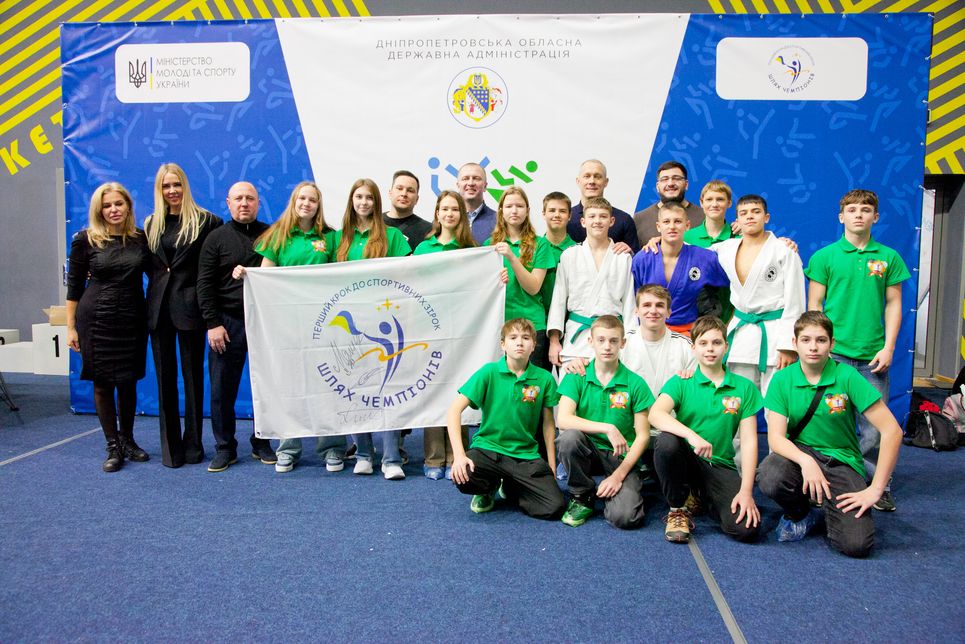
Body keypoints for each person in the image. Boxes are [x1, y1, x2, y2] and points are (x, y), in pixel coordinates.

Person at [757, 312, 902, 557]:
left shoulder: (847, 376)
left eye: (821, 340)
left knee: (856, 545)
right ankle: (803, 512)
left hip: (841, 460)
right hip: (801, 455)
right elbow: (776, 439)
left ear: (832, 344)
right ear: (794, 343)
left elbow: (892, 431)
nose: (813, 347)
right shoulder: (782, 379)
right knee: (770, 474)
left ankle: (828, 506)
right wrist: (806, 461)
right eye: (806, 340)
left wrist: (876, 489)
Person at [805, 189, 910, 512]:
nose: (858, 215)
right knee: (831, 422)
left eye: (865, 210)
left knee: (874, 429)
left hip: (872, 356)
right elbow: (814, 305)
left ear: (875, 217)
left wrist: (889, 347)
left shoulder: (888, 258)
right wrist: (818, 349)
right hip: (834, 355)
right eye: (852, 210)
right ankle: (834, 478)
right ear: (842, 217)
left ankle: (877, 484)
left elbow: (894, 304)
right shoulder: (824, 257)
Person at [250, 181, 346, 475]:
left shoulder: (330, 237)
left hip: (323, 325)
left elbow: (341, 275)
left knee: (328, 384)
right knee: (289, 384)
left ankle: (332, 447)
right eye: (302, 198)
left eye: (312, 200)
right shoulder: (277, 235)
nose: (306, 203)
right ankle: (288, 448)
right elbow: (264, 279)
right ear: (294, 202)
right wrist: (246, 275)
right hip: (287, 325)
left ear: (319, 206)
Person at [648, 316, 762, 544]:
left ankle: (702, 496)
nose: (710, 349)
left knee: (746, 530)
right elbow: (655, 415)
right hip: (686, 460)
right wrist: (691, 436)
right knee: (667, 441)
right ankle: (677, 509)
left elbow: (749, 441)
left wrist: (746, 491)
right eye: (703, 343)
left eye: (716, 343)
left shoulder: (744, 388)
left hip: (719, 463)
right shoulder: (681, 382)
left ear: (726, 347)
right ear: (693, 348)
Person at [66, 182, 151, 472]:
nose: (113, 209)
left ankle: (128, 440)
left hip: (132, 318)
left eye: (118, 203)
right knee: (102, 383)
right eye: (107, 205)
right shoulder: (84, 240)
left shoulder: (141, 239)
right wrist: (71, 328)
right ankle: (112, 445)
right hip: (96, 319)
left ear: (128, 206)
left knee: (128, 382)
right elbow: (74, 287)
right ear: (99, 210)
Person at [446, 318, 565, 520]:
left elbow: (548, 425)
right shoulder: (488, 372)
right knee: (463, 474)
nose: (519, 343)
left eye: (526, 338)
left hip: (524, 455)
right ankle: (488, 487)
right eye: (513, 338)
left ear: (534, 345)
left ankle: (512, 485)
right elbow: (453, 411)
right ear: (503, 344)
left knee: (554, 507)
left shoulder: (544, 378)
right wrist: (459, 456)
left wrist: (552, 465)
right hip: (488, 450)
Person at [333, 178, 412, 480]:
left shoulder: (392, 235)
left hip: (384, 324)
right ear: (351, 201)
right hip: (349, 327)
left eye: (369, 197)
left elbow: (411, 273)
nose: (363, 202)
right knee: (355, 389)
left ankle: (391, 458)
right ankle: (364, 454)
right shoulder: (338, 238)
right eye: (359, 197)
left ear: (377, 203)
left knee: (387, 390)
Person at [145, 163, 222, 468]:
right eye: (166, 186)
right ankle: (171, 450)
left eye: (176, 185)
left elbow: (213, 269)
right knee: (165, 381)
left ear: (185, 186)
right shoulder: (150, 224)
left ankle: (193, 446)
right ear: (159, 190)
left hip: (191, 309)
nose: (172, 191)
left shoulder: (207, 221)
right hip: (158, 310)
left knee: (192, 380)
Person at [196, 181, 275, 472]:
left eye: (250, 198)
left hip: (263, 321)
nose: (244, 203)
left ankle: (262, 441)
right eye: (238, 198)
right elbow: (204, 284)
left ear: (258, 203)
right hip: (227, 322)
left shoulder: (272, 235)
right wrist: (213, 323)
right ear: (228, 203)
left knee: (266, 386)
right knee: (221, 389)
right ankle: (225, 447)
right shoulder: (215, 238)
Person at [555, 315, 653, 528]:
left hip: (620, 454)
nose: (607, 346)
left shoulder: (636, 383)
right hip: (587, 449)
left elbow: (643, 436)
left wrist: (618, 476)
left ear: (622, 343)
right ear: (590, 341)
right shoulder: (576, 375)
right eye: (601, 340)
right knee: (568, 438)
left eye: (613, 340)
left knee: (625, 518)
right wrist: (607, 428)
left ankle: (618, 489)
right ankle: (582, 495)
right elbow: (563, 419)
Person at [712, 194, 805, 395]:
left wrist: (788, 345)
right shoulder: (726, 248)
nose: (750, 216)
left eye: (756, 212)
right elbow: (689, 252)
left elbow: (796, 302)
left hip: (775, 336)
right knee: (737, 400)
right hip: (742, 336)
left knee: (778, 402)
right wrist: (658, 240)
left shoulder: (784, 251)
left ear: (766, 217)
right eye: (743, 213)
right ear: (737, 220)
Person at [413, 191, 476, 480]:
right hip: (429, 328)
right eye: (445, 209)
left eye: (455, 209)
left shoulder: (471, 249)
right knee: (432, 389)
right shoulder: (423, 249)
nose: (449, 214)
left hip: (461, 327)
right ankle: (434, 457)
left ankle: (457, 454)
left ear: (461, 215)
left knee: (458, 389)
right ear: (437, 213)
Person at [547, 196, 635, 366]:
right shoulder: (570, 255)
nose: (597, 221)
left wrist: (630, 340)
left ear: (611, 221)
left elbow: (629, 303)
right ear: (583, 222)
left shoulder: (622, 258)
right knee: (573, 382)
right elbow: (558, 300)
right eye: (592, 216)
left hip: (612, 337)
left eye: (603, 216)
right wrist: (554, 341)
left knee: (610, 382)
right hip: (577, 338)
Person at [630, 203, 729, 335]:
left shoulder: (704, 258)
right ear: (658, 226)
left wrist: (724, 321)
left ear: (687, 225)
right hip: (650, 333)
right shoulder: (642, 259)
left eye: (677, 221)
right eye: (666, 222)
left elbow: (733, 286)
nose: (672, 226)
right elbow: (632, 301)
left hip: (689, 333)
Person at [486, 186, 554, 370]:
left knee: (533, 382)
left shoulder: (541, 244)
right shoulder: (489, 246)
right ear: (501, 211)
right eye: (509, 206)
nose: (514, 211)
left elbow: (533, 287)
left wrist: (511, 258)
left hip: (532, 325)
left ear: (528, 210)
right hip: (501, 325)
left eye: (519, 206)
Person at [566, 159, 640, 253]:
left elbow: (636, 257)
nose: (592, 181)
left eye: (597, 177)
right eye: (587, 176)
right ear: (578, 181)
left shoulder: (624, 220)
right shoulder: (566, 219)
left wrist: (630, 251)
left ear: (606, 182)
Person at [633, 161, 704, 248]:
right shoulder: (639, 219)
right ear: (657, 186)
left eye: (676, 178)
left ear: (686, 184)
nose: (670, 184)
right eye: (664, 179)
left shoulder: (704, 217)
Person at [538, 191, 577, 319]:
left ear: (570, 215)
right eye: (552, 210)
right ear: (543, 214)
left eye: (562, 211)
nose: (557, 215)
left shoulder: (578, 250)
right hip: (539, 319)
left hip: (569, 319)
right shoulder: (533, 248)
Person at [383, 170, 431, 252]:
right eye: (399, 188)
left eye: (410, 190)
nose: (404, 194)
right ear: (390, 193)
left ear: (417, 199)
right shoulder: (373, 223)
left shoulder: (428, 231)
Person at [457, 162, 497, 245]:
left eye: (476, 178)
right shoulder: (447, 220)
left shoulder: (498, 220)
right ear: (458, 185)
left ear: (485, 186)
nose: (471, 183)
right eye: (465, 178)